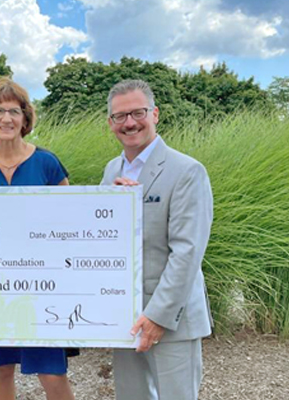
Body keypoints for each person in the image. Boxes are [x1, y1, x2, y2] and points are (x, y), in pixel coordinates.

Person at [0, 77, 75, 400]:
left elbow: (72, 221)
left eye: (14, 111)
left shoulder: (47, 164)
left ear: (25, 118)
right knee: (0, 369)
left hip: (42, 287)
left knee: (52, 371)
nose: (6, 118)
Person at [101, 79, 214, 400]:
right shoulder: (111, 171)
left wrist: (157, 316)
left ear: (155, 114)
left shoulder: (187, 171)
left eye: (138, 113)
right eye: (120, 117)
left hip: (171, 320)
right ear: (111, 124)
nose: (130, 123)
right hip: (126, 317)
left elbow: (187, 252)